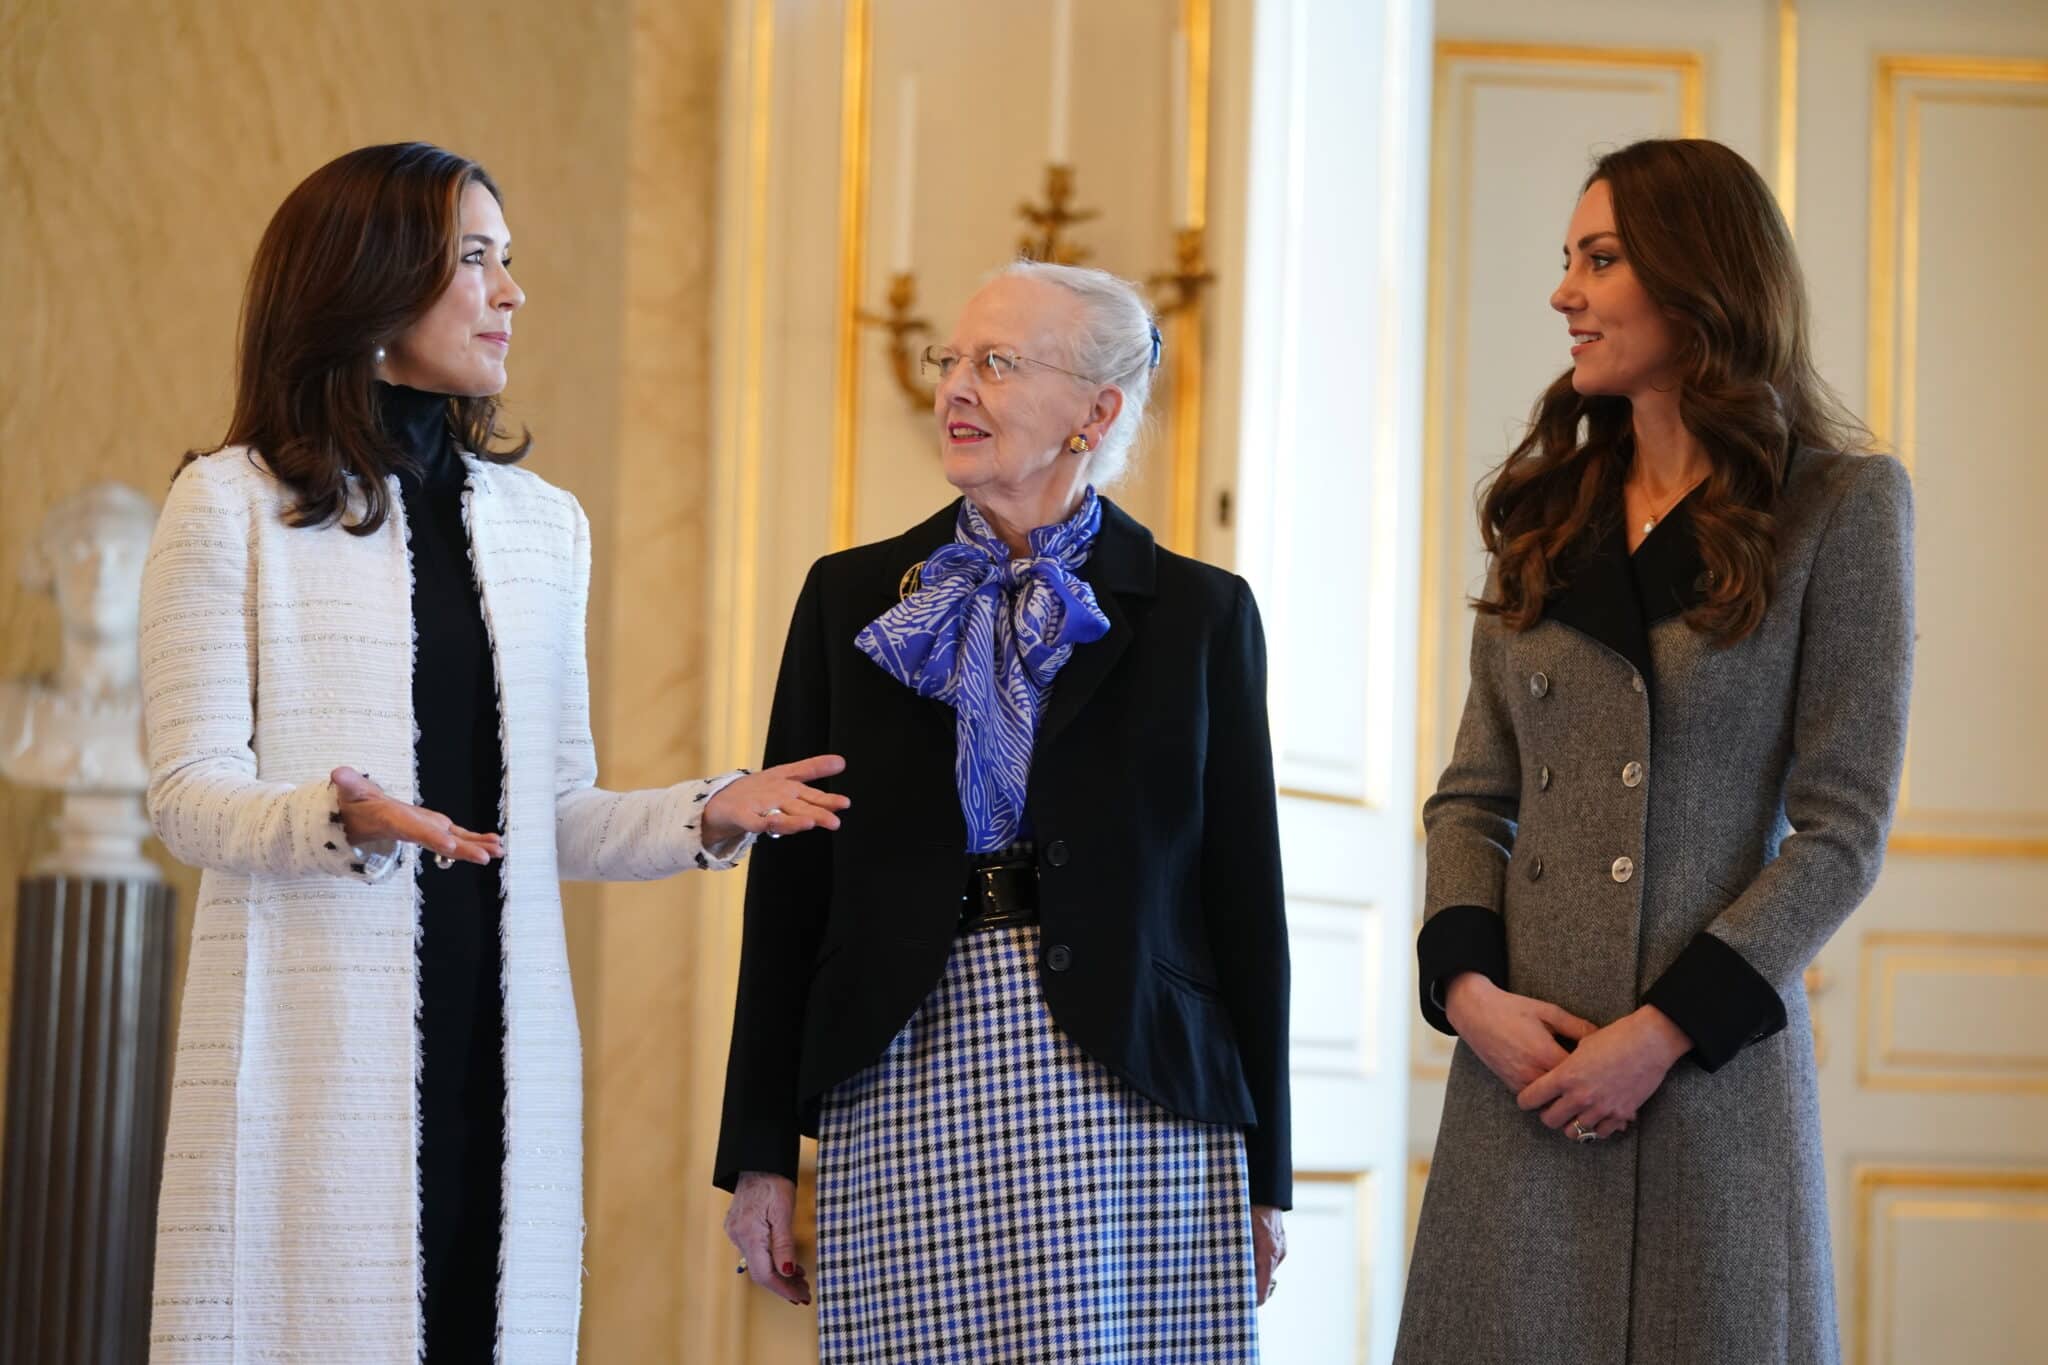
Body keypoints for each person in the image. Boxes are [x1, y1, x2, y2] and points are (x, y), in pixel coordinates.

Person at [140, 142, 848, 1364]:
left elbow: (555, 813)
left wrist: (712, 810)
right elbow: (187, 795)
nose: (510, 291)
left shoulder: (541, 528)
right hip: (318, 1046)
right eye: (474, 259)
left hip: (503, 1045)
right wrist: (339, 819)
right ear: (366, 283)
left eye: (507, 259)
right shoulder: (228, 506)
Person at [715, 260, 1289, 1362]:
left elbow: (1241, 904)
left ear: (1095, 411)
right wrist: (758, 1154)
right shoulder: (848, 599)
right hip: (903, 1064)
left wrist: (1266, 1176)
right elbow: (790, 895)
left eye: (997, 363)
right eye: (949, 359)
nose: (955, 388)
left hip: (1139, 1087)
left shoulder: (1202, 617)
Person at [1397, 139, 1914, 1365]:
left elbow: (1844, 829)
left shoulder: (1836, 507)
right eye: (1565, 261)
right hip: (1523, 1075)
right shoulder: (1543, 513)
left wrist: (1663, 1030)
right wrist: (1468, 994)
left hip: (1705, 1078)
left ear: (1697, 279)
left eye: (1599, 259)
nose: (1563, 292)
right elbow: (1471, 798)